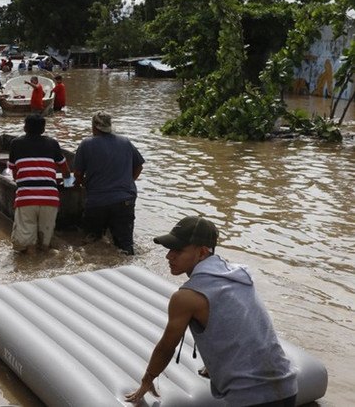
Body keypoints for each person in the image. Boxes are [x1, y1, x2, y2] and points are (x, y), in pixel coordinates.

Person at [125, 216, 298, 407]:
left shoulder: (186, 298)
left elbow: (166, 348)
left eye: (178, 250)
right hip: (287, 386)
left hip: (250, 398)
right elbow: (238, 325)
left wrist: (147, 380)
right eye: (169, 249)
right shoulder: (239, 276)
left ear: (202, 253)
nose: (169, 256)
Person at [73, 111, 144, 255]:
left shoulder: (86, 144)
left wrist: (81, 185)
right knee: (125, 246)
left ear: (94, 127)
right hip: (125, 200)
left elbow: (78, 174)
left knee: (92, 244)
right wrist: (128, 182)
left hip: (97, 201)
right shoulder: (125, 141)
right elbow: (139, 166)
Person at [7, 114, 72, 253]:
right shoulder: (52, 143)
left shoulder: (16, 144)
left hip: (26, 199)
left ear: (25, 128)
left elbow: (14, 173)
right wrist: (69, 186)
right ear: (43, 130)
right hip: (50, 198)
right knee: (45, 244)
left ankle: (31, 268)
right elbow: (66, 171)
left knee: (27, 244)